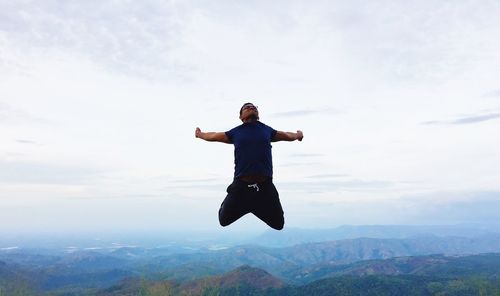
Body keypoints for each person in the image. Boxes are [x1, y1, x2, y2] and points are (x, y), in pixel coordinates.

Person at [195, 102, 303, 230]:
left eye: (254, 107)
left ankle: (252, 207)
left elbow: (286, 135)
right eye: (246, 107)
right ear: (241, 117)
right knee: (223, 220)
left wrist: (297, 135)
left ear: (258, 114)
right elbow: (213, 136)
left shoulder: (267, 130)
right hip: (241, 186)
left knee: (278, 224)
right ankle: (247, 205)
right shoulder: (235, 132)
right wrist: (200, 134)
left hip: (265, 187)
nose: (251, 107)